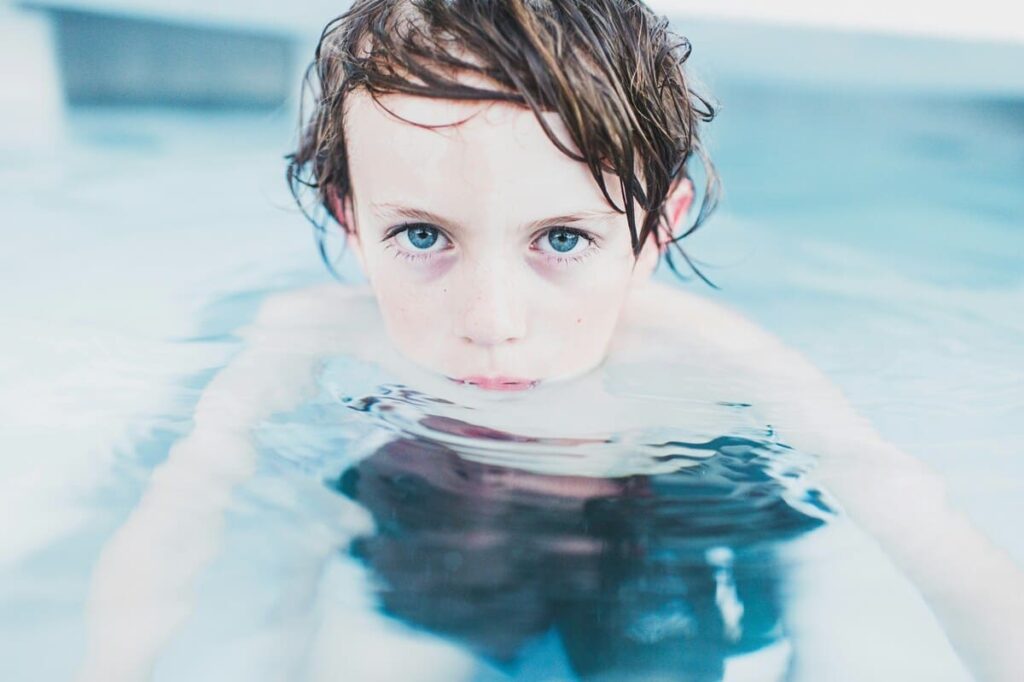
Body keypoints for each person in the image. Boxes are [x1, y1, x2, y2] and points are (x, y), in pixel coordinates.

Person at [79, 1, 1024, 680]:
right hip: (441, 524)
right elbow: (185, 510)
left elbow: (910, 512)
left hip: (664, 521)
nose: (493, 321)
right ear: (348, 215)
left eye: (562, 239)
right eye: (422, 235)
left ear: (657, 229)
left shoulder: (710, 358)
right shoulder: (306, 333)